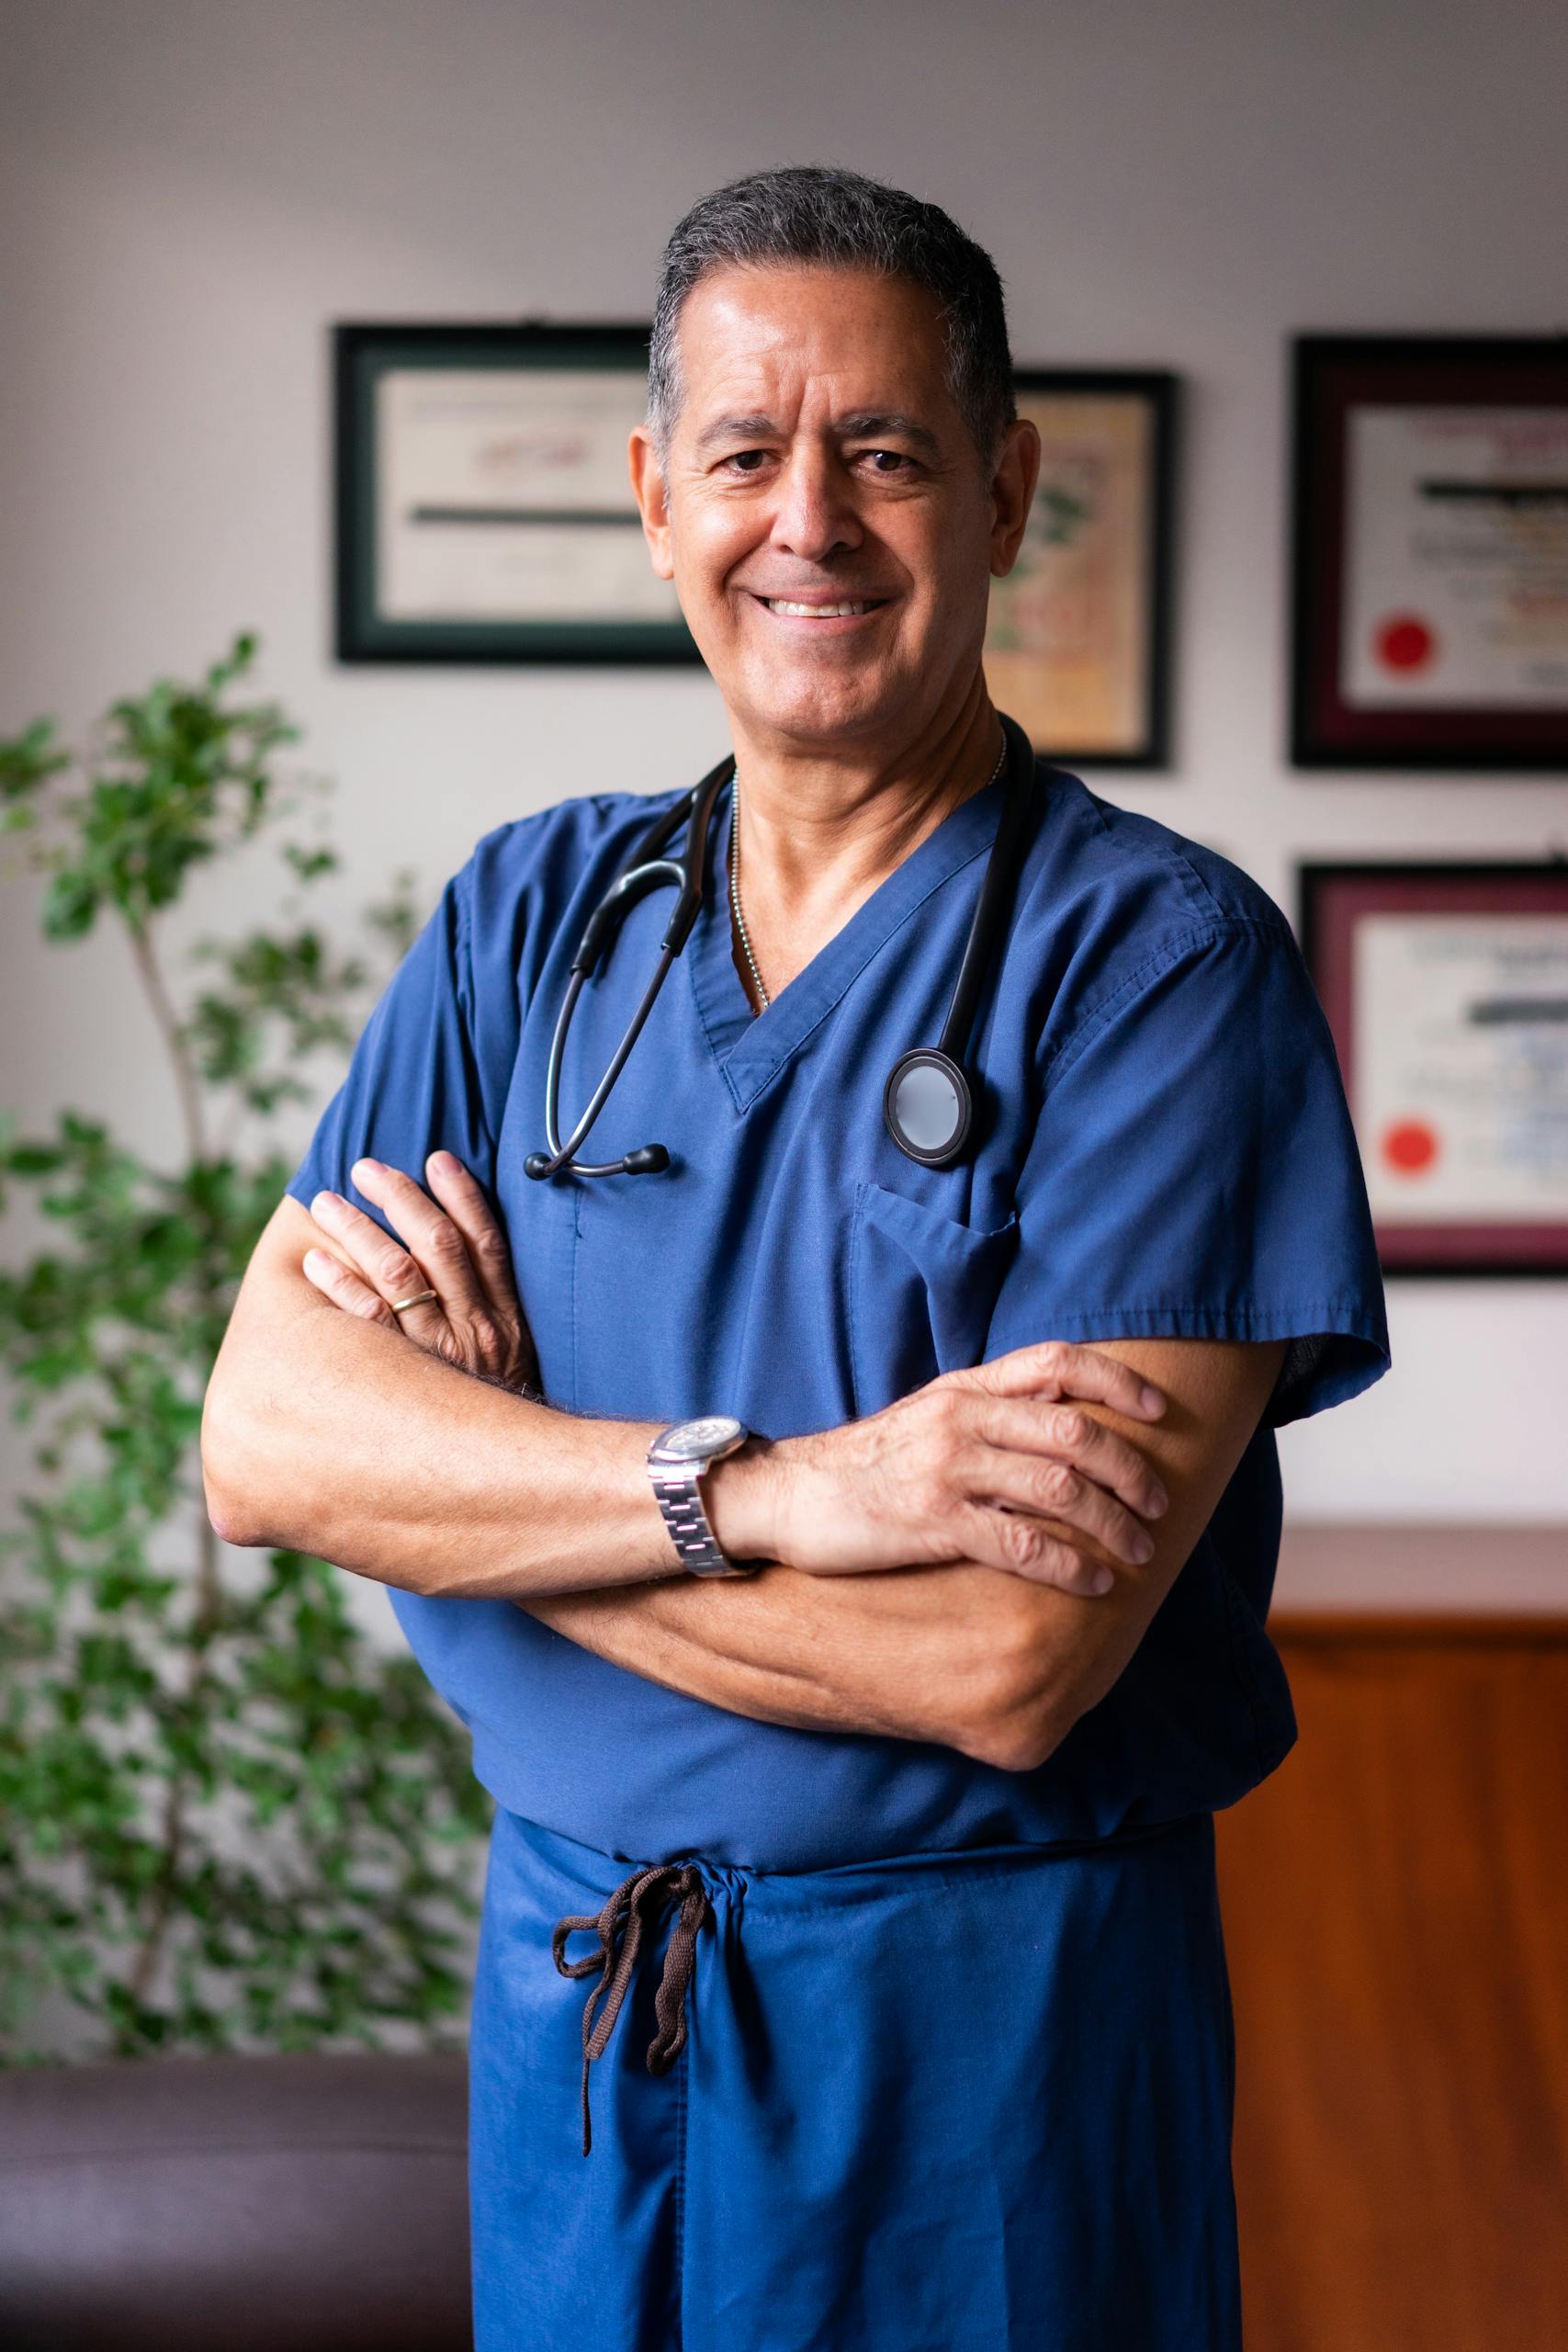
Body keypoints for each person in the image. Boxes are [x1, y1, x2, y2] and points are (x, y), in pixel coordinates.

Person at [203, 164, 1391, 2351]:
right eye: (747, 453)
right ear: (658, 498)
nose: (809, 523)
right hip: (582, 2027)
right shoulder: (529, 925)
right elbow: (272, 1440)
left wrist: (482, 1521)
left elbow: (1000, 1662)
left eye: (887, 453)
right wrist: (760, 1491)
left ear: (1007, 488)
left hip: (985, 2064)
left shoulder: (1150, 969)